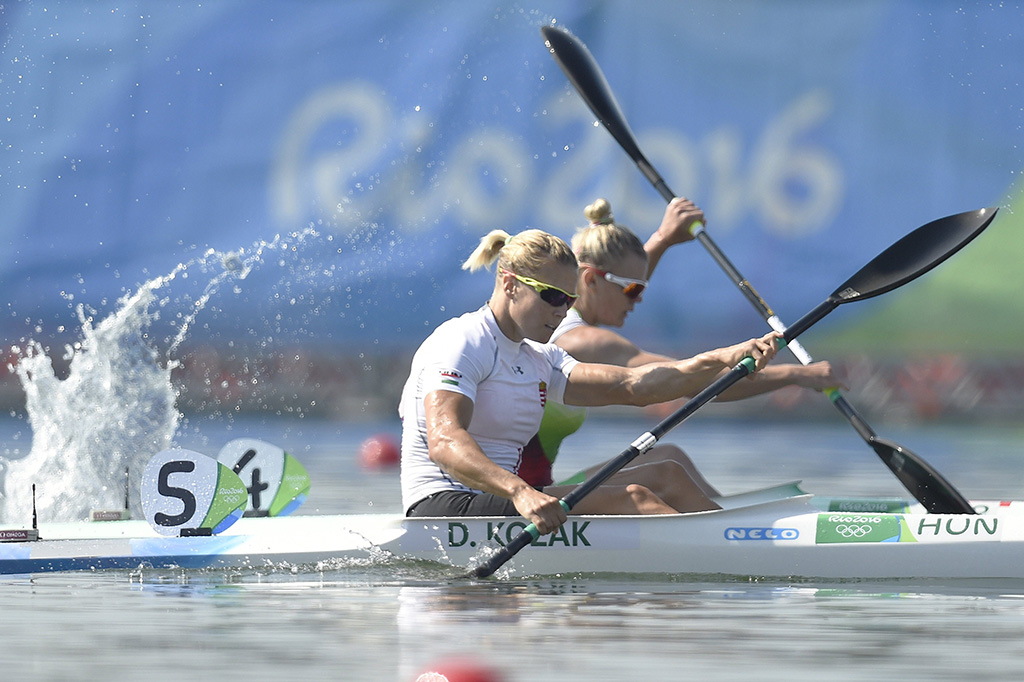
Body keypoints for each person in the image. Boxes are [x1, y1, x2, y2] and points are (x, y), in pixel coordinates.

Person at [399, 227, 782, 535]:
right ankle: (743, 557)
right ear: (509, 283)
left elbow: (634, 386)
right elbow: (445, 443)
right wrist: (521, 492)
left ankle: (747, 537)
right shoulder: (463, 341)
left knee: (666, 473)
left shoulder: (538, 357)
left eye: (569, 299)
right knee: (635, 499)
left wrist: (721, 357)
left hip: (502, 502)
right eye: (551, 297)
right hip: (444, 505)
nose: (561, 310)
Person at [517, 197, 843, 495]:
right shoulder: (586, 342)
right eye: (633, 289)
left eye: (641, 286)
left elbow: (616, 278)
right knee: (669, 471)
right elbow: (698, 384)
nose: (640, 296)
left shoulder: (561, 319)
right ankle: (738, 533)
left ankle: (730, 524)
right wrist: (799, 375)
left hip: (541, 487)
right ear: (590, 280)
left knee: (671, 457)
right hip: (521, 502)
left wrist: (664, 238)